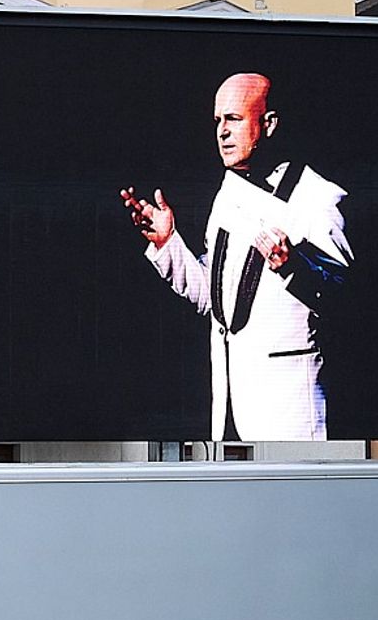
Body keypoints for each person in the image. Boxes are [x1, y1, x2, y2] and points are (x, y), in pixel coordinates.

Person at [119, 72, 352, 441]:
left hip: (289, 407)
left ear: (269, 123)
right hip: (228, 405)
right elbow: (216, 300)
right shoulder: (228, 195)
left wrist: (293, 266)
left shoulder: (317, 197)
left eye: (234, 119)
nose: (222, 132)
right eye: (218, 121)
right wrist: (168, 241)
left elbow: (347, 298)